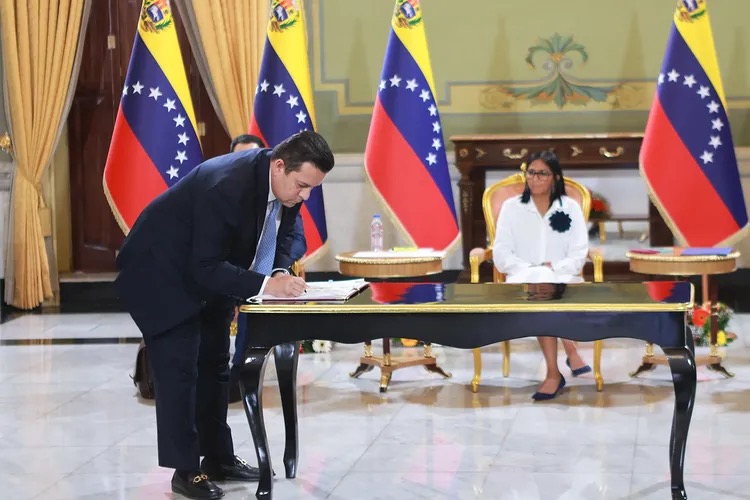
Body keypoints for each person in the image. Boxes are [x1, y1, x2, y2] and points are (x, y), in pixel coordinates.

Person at [115, 131, 335, 500]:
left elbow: (282, 237)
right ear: (280, 166)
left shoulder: (285, 187)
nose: (305, 196)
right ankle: (186, 471)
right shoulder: (225, 184)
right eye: (302, 186)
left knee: (215, 364)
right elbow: (203, 265)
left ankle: (218, 457)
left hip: (214, 274)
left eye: (312, 188)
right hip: (162, 274)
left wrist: (279, 272)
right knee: (180, 370)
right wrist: (266, 285)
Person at [492, 150, 592, 401]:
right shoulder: (511, 208)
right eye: (531, 173)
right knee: (540, 288)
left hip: (563, 276)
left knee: (548, 287)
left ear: (555, 177)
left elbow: (579, 252)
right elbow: (501, 252)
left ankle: (558, 369)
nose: (534, 179)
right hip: (524, 278)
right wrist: (528, 268)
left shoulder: (570, 207)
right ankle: (556, 369)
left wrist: (555, 268)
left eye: (542, 174)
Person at [227, 135, 307, 402]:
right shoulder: (228, 192)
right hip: (226, 273)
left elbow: (296, 240)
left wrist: (276, 268)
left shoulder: (285, 196)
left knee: (257, 301)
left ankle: (240, 372)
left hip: (264, 275)